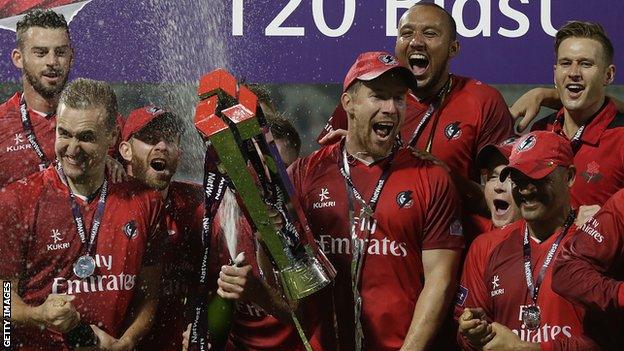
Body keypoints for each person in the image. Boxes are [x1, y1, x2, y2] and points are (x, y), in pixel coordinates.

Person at [292, 51, 464, 351]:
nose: (391, 108)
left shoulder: (431, 177)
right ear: (349, 103)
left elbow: (440, 280)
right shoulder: (307, 173)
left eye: (398, 98)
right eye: (378, 97)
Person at [0, 79, 165, 350]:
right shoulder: (17, 200)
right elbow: (3, 295)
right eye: (64, 134)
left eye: (86, 137)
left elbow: (149, 293)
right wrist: (37, 314)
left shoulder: (146, 202)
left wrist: (127, 341)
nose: (72, 149)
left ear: (112, 136)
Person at [318, 3, 513, 215]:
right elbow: (321, 190)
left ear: (453, 49)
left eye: (430, 34)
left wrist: (442, 176)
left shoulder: (483, 101)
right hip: (374, 241)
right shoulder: (362, 98)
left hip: (452, 241)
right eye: (406, 33)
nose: (416, 42)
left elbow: (506, 202)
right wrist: (352, 154)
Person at [456, 131, 599, 351]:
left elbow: (611, 340)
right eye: (518, 179)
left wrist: (528, 349)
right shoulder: (487, 247)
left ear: (569, 177)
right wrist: (473, 334)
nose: (525, 189)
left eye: (538, 178)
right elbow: (467, 342)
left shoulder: (596, 241)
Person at [0, 9, 124, 188]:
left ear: (71, 57)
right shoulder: (3, 123)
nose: (52, 61)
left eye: (60, 52)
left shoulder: (104, 121)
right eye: (41, 53)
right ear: (18, 58)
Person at [117, 106, 204, 351]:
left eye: (170, 140)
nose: (162, 146)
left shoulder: (197, 203)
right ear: (125, 150)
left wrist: (202, 324)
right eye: (150, 138)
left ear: (180, 152)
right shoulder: (105, 203)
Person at [517, 21, 623, 209]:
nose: (574, 73)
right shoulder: (540, 131)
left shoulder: (620, 138)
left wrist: (608, 222)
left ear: (609, 75)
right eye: (566, 63)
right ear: (555, 72)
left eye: (585, 64)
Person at [466, 137, 521, 237]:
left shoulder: (553, 245)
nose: (498, 187)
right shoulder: (472, 231)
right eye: (493, 176)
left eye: (510, 177)